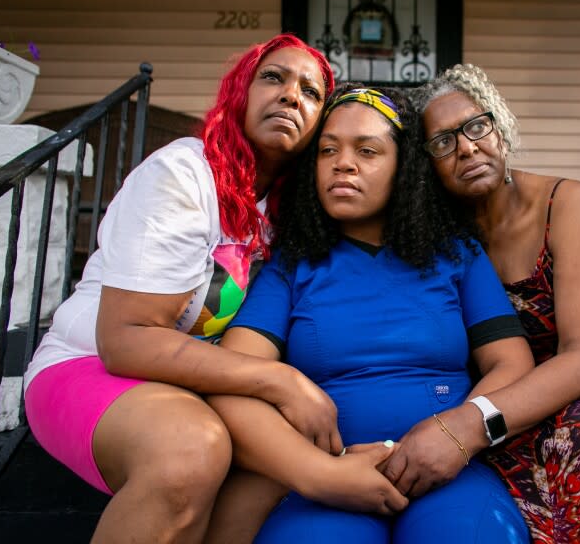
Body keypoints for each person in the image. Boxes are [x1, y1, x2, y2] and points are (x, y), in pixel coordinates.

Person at [22, 34, 342, 543]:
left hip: (194, 383)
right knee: (190, 447)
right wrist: (282, 382)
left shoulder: (289, 212)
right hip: (87, 366)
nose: (290, 96)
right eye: (274, 78)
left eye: (311, 92)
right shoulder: (185, 173)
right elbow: (127, 340)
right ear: (240, 93)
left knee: (279, 459)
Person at [384, 64, 580, 543]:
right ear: (428, 165)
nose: (467, 148)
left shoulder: (565, 203)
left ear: (500, 128)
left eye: (476, 126)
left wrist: (470, 425)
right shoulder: (439, 234)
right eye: (444, 142)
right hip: (509, 379)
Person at [212, 85, 535, 543]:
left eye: (367, 150)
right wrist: (320, 471)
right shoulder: (293, 265)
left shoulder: (456, 254)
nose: (343, 163)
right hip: (330, 485)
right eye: (328, 150)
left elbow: (512, 363)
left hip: (452, 476)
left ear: (404, 169)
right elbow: (234, 378)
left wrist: (458, 434)